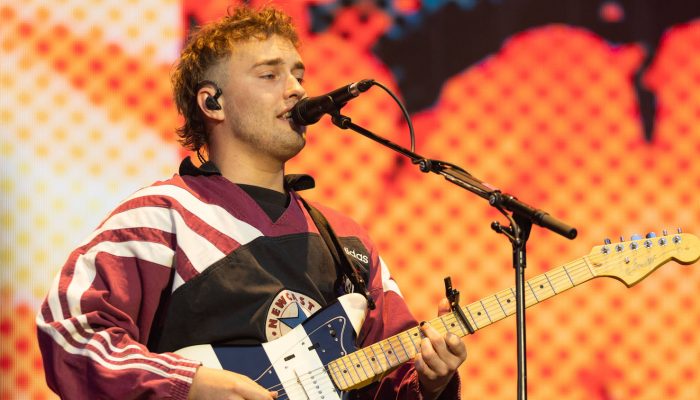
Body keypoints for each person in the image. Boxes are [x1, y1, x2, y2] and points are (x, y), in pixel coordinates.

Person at [36, 5, 466, 400]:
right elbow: (72, 333)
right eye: (269, 75)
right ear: (212, 102)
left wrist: (429, 382)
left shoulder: (348, 241)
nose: (297, 89)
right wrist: (187, 384)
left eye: (299, 74)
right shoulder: (158, 216)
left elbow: (389, 382)